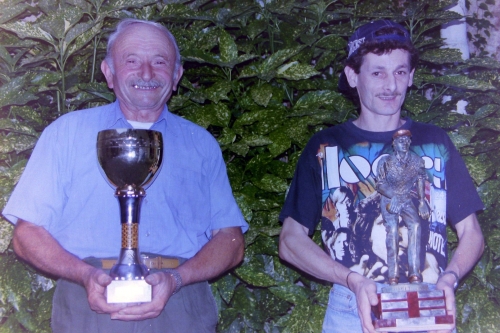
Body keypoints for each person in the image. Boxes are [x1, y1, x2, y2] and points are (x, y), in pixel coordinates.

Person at [3, 19, 248, 333]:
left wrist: (177, 279)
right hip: (89, 301)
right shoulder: (66, 134)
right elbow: (26, 235)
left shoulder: (201, 144)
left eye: (160, 62)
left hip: (182, 303)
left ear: (176, 76)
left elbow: (230, 241)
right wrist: (84, 275)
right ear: (108, 72)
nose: (146, 73)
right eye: (131, 61)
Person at [278, 19, 484, 333]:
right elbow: (290, 241)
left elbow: (471, 232)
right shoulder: (325, 146)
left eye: (400, 72)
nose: (391, 85)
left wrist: (450, 278)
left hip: (429, 308)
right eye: (377, 73)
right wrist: (351, 280)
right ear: (352, 76)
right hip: (353, 309)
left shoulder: (435, 142)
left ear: (411, 76)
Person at [376, 129, 430, 285]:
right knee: (392, 230)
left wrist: (421, 201)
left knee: (416, 224)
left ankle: (414, 272)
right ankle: (393, 274)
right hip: (389, 199)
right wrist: (392, 196)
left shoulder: (417, 161)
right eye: (401, 141)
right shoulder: (385, 162)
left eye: (407, 141)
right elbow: (380, 184)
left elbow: (420, 179)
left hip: (406, 198)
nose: (404, 144)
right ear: (394, 144)